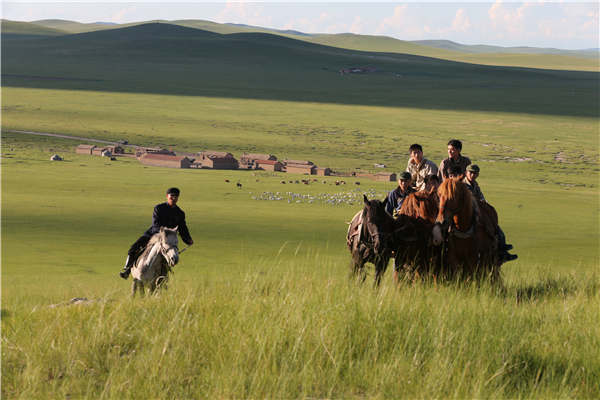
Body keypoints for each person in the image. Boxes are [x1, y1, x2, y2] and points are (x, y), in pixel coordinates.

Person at [119, 187, 194, 279]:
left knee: (170, 256)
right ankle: (127, 270)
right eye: (172, 196)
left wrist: (188, 239)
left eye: (176, 197)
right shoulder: (159, 208)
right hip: (153, 234)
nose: (174, 198)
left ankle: (162, 278)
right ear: (167, 196)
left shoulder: (180, 213)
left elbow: (183, 228)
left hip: (168, 239)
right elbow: (155, 224)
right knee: (133, 248)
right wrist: (163, 232)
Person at [462, 165, 517, 262]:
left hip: (478, 210)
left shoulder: (475, 185)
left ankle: (502, 251)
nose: (473, 175)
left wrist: (487, 206)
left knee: (497, 228)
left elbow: (482, 198)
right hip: (467, 212)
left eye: (475, 173)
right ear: (466, 173)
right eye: (471, 172)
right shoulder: (462, 185)